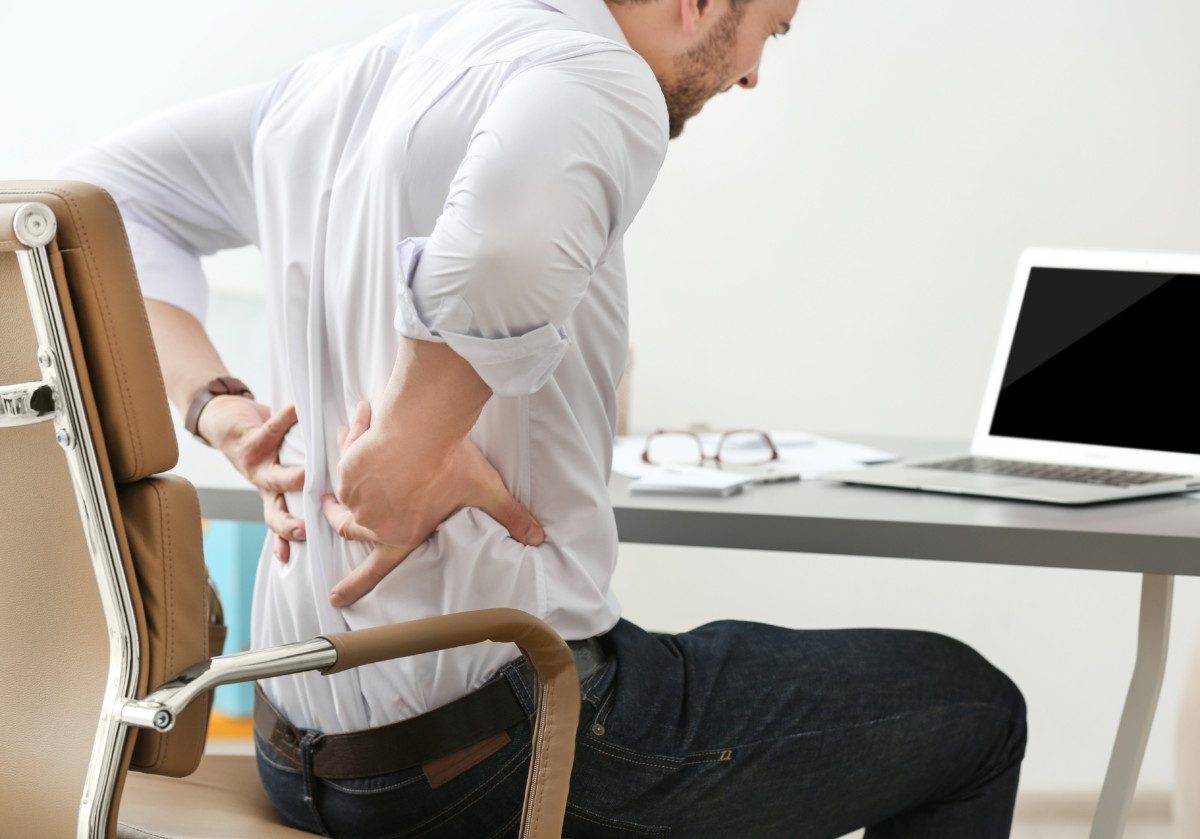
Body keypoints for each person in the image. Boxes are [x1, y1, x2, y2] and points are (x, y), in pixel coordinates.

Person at [60, 0, 1027, 834]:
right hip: (493, 755)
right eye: (765, 29)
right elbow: (502, 256)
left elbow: (101, 200)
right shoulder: (597, 76)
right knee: (972, 709)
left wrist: (217, 406)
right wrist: (406, 447)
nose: (754, 74)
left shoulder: (347, 82)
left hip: (294, 743)